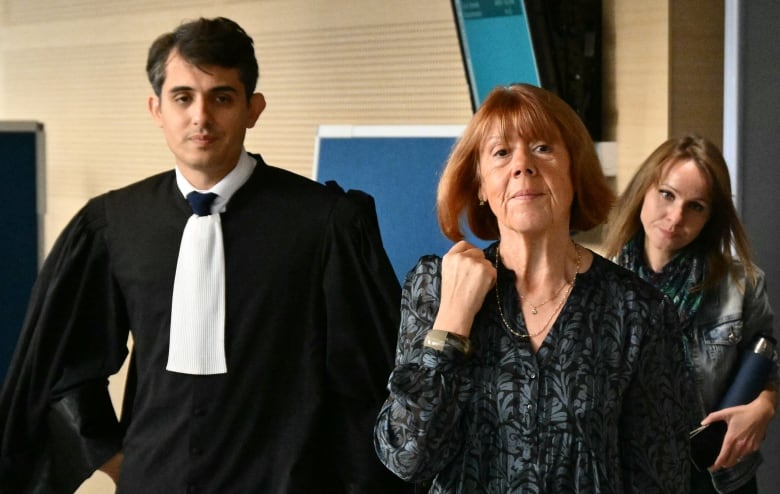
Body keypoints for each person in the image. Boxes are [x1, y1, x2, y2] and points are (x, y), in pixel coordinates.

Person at [0, 17, 413, 493]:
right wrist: (114, 459)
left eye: (221, 96)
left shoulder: (326, 225)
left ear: (253, 108)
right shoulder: (112, 225)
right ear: (156, 109)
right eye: (182, 97)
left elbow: (364, 387)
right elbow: (63, 366)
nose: (201, 116)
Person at [373, 83, 693, 492]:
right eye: (502, 153)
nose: (522, 165)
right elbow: (406, 456)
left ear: (575, 171)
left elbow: (661, 479)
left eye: (543, 148)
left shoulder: (638, 310)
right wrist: (452, 324)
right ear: (480, 186)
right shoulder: (434, 287)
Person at [603, 134, 778, 494]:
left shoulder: (741, 284)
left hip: (715, 478)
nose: (676, 216)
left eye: (695, 206)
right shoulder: (599, 284)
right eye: (666, 195)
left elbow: (769, 369)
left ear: (709, 217)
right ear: (643, 190)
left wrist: (764, 408)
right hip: (625, 476)